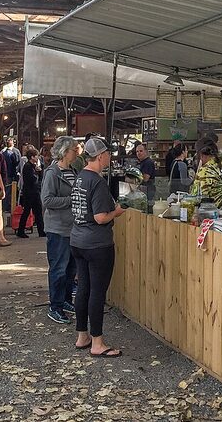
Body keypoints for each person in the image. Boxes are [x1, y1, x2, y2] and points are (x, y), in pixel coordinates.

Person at [70, 137, 126, 357]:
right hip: (97, 243)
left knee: (83, 288)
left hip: (77, 240)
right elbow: (101, 217)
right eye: (108, 154)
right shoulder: (97, 182)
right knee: (97, 292)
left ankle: (82, 336)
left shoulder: (80, 178)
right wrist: (118, 212)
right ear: (101, 156)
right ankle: (98, 343)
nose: (110, 158)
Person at [41, 135, 79, 324]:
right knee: (58, 268)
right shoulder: (52, 173)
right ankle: (55, 306)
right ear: (65, 152)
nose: (77, 152)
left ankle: (65, 301)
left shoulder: (73, 171)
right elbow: (47, 200)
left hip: (72, 228)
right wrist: (71, 200)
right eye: (75, 149)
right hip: (58, 229)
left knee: (71, 268)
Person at [16, 148, 45, 239]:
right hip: (30, 193)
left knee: (38, 212)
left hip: (34, 192)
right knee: (27, 212)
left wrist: (39, 171)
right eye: (36, 156)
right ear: (32, 157)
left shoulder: (33, 166)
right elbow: (34, 180)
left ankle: (41, 231)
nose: (38, 158)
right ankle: (21, 230)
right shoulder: (28, 166)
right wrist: (38, 172)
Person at [1, 137, 21, 207]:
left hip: (11, 174)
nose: (9, 142)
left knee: (10, 191)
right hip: (9, 174)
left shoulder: (13, 151)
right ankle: (7, 206)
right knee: (8, 191)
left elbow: (18, 162)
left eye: (10, 140)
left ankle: (8, 206)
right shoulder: (4, 152)